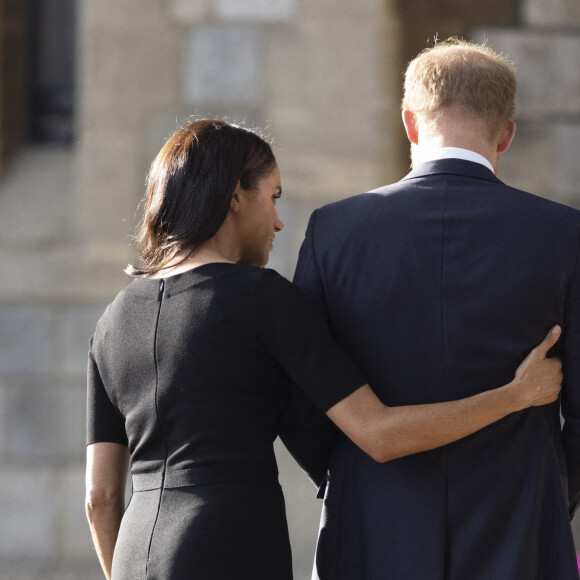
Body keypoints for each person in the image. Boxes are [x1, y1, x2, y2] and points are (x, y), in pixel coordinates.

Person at [85, 119, 562, 580]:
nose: (277, 221)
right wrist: (517, 394)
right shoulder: (260, 296)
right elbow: (379, 434)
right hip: (228, 544)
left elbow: (101, 498)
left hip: (133, 551)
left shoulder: (112, 320)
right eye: (272, 197)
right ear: (234, 197)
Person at [294, 38, 580, 580]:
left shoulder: (334, 231)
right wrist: (548, 493)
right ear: (507, 134)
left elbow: (301, 395)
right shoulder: (564, 234)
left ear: (409, 123)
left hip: (372, 522)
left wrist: (353, 477)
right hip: (517, 519)